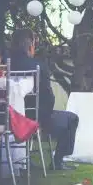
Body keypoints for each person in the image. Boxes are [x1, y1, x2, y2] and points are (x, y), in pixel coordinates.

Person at [9, 29, 79, 170]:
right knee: (72, 118)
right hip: (34, 118)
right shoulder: (38, 66)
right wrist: (43, 117)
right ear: (30, 46)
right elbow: (48, 97)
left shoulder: (1, 64)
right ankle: (57, 161)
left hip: (8, 117)